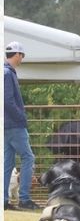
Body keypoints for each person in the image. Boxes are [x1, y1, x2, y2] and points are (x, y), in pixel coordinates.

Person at [4, 41, 40, 211]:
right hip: (14, 124)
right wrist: (21, 117)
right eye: (22, 55)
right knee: (28, 157)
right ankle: (25, 198)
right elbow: (8, 101)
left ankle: (4, 199)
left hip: (6, 124)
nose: (22, 59)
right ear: (17, 55)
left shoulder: (6, 72)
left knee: (7, 161)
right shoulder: (8, 73)